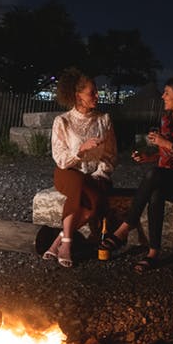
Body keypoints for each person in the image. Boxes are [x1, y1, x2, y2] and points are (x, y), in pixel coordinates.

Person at [100, 77, 173, 273]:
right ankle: (153, 253)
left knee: (155, 174)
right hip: (166, 175)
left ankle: (126, 226)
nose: (163, 96)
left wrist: (167, 144)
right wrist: (149, 156)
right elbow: (165, 154)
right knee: (156, 192)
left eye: (167, 92)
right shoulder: (166, 120)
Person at [42, 67, 117, 267]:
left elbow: (110, 156)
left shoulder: (104, 120)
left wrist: (101, 174)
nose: (97, 95)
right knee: (77, 182)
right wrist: (81, 151)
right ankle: (66, 244)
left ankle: (59, 241)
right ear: (78, 96)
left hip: (95, 177)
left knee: (92, 205)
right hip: (68, 173)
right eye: (92, 92)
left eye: (96, 91)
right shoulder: (63, 121)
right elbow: (60, 159)